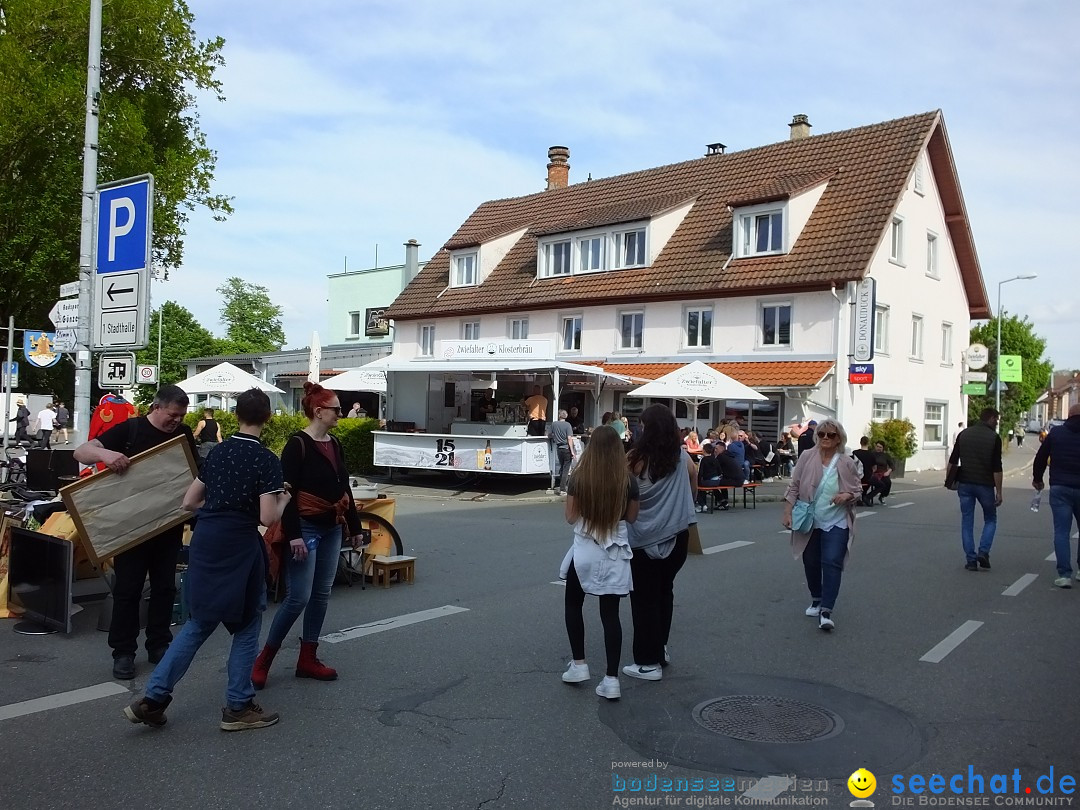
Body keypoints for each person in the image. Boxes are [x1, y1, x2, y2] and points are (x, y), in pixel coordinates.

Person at [123, 388, 291, 731]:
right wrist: (284, 499)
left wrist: (215, 511)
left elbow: (188, 502)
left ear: (237, 415)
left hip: (206, 539)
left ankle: (153, 699)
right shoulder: (266, 460)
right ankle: (238, 706)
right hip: (239, 546)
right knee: (246, 625)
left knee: (199, 622)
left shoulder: (217, 453)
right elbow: (267, 517)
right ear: (268, 418)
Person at [73, 385, 198, 679]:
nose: (176, 421)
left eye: (181, 416)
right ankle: (123, 653)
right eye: (172, 415)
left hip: (168, 524)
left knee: (165, 588)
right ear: (156, 407)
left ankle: (158, 646)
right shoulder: (129, 429)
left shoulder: (184, 434)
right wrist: (108, 454)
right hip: (130, 528)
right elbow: (82, 452)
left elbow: (194, 472)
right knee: (127, 591)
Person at [252, 382, 365, 688]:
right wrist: (294, 535)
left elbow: (344, 488)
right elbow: (284, 493)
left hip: (331, 527)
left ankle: (307, 658)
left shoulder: (335, 443)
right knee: (298, 596)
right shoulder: (297, 444)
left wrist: (354, 528)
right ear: (319, 411)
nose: (341, 414)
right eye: (336, 409)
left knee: (321, 594)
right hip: (305, 528)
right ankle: (265, 658)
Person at [558, 425, 640, 700]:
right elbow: (631, 518)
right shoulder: (628, 481)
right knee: (610, 615)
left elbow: (570, 517)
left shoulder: (580, 478)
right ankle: (611, 679)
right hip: (615, 550)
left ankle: (579, 664)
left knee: (573, 603)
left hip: (586, 549)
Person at [622, 404, 696, 681]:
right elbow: (693, 483)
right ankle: (660, 649)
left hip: (642, 539)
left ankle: (646, 662)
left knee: (643, 600)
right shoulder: (681, 456)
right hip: (677, 536)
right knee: (665, 593)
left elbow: (624, 494)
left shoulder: (634, 459)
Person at [782, 418, 862, 631]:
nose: (825, 438)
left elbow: (857, 490)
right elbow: (794, 486)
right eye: (822, 434)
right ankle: (816, 597)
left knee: (832, 561)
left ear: (839, 439)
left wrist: (846, 495)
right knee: (811, 562)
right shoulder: (807, 457)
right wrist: (787, 511)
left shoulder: (846, 462)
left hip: (836, 521)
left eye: (831, 435)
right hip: (809, 520)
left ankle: (826, 610)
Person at [946, 407, 1003, 571]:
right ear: (991, 418)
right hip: (985, 485)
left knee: (967, 521)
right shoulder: (994, 438)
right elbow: (997, 468)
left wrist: (948, 480)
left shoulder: (964, 434)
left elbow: (953, 460)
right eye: (997, 420)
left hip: (965, 484)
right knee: (991, 518)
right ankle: (983, 551)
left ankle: (971, 560)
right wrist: (999, 491)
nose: (997, 423)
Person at [1032, 403, 1080, 588]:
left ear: (1069, 415)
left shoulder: (1057, 434)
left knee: (1062, 531)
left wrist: (1038, 479)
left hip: (1060, 488)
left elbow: (1041, 458)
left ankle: (1064, 575)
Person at [548, 409, 575, 495]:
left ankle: (561, 486)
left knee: (562, 467)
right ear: (566, 416)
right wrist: (572, 451)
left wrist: (554, 436)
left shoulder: (554, 424)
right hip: (566, 448)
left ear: (559, 415)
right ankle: (563, 489)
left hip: (558, 448)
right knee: (566, 469)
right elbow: (569, 438)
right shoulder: (568, 425)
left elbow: (549, 434)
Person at [851, 436, 875, 505]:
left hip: (856, 477)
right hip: (868, 477)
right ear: (868, 443)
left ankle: (859, 497)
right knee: (881, 484)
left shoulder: (855, 453)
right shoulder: (871, 454)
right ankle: (866, 496)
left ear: (860, 442)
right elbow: (874, 467)